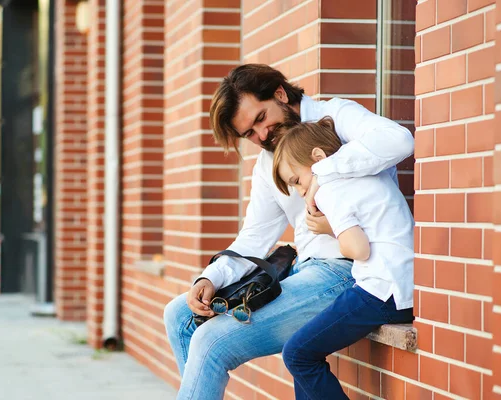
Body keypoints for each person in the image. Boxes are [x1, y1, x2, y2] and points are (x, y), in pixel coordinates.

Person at [163, 64, 414, 400]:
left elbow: (399, 140)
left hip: (346, 270)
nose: (262, 135)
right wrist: (210, 278)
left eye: (260, 118)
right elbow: (254, 236)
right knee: (179, 315)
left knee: (212, 343)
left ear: (280, 94)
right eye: (249, 134)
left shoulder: (335, 116)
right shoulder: (268, 164)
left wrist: (320, 173)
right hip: (302, 267)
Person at [272, 119, 414, 399]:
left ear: (318, 158)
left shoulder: (330, 189)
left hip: (382, 292)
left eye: (298, 181)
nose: (302, 192)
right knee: (303, 349)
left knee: (298, 353)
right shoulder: (370, 171)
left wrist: (331, 229)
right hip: (400, 288)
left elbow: (358, 250)